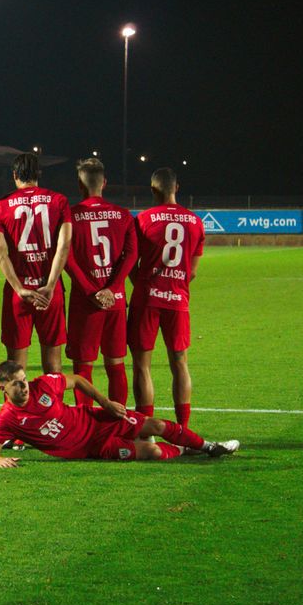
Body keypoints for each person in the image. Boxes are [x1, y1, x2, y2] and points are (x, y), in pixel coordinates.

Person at [0, 360, 239, 467]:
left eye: (24, 379)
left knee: (157, 426)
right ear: (3, 388)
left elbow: (78, 380)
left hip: (97, 420)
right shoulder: (8, 419)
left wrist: (104, 403)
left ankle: (210, 446)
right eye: (17, 383)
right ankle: (186, 450)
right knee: (153, 452)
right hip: (93, 448)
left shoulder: (44, 385)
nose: (24, 386)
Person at [128, 168, 205, 426]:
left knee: (141, 366)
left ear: (153, 189)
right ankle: (183, 428)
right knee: (180, 363)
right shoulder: (195, 222)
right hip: (178, 300)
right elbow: (191, 272)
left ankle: (146, 430)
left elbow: (130, 261)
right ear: (177, 188)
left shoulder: (143, 220)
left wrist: (141, 283)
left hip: (146, 299)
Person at [0, 152, 72, 374]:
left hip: (18, 294)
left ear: (15, 175)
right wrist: (51, 285)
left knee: (15, 367)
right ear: (38, 174)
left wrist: (19, 288)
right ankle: (52, 409)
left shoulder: (1, 206)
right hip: (50, 293)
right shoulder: (59, 201)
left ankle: (17, 410)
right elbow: (64, 246)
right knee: (54, 366)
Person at [64, 158, 137, 408]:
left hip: (85, 303)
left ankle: (85, 422)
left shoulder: (71, 216)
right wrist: (114, 289)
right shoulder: (123, 215)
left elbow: (67, 258)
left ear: (79, 185)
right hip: (114, 302)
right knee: (115, 364)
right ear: (104, 183)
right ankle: (120, 423)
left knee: (83, 368)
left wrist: (90, 291)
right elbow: (131, 255)